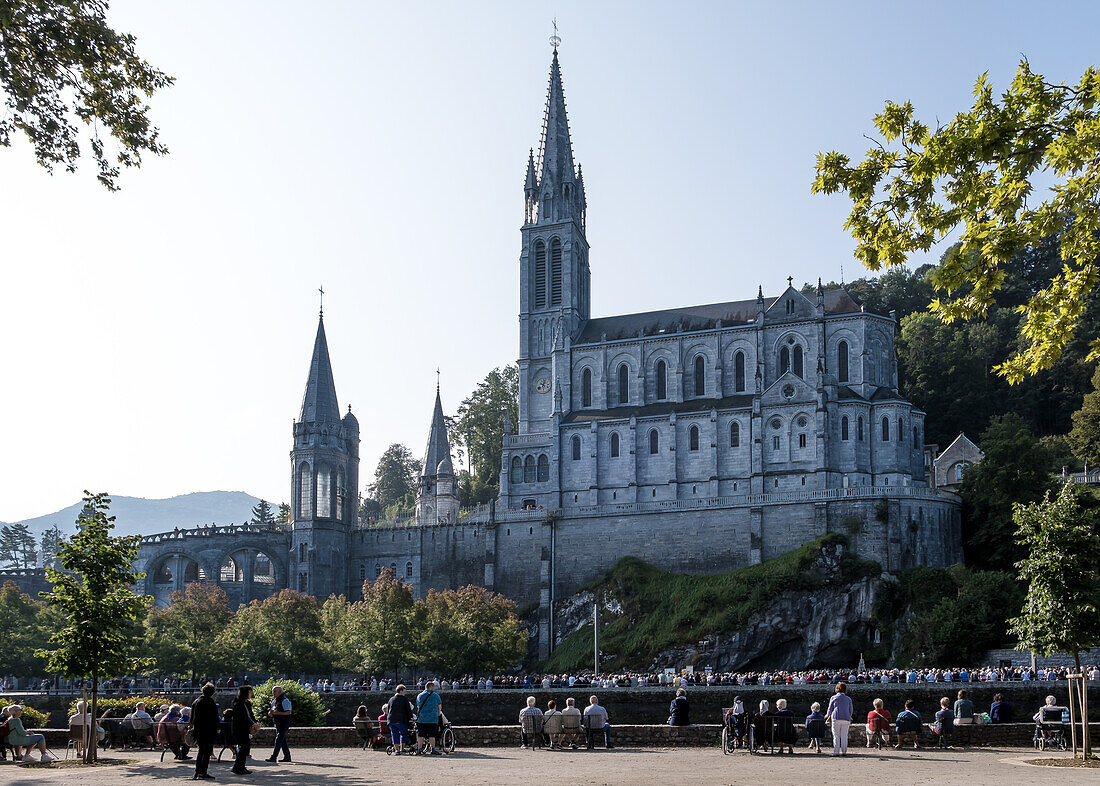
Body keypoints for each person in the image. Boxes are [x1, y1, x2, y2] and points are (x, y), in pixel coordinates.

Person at [188, 683, 219, 780]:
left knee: (201, 751)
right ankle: (203, 772)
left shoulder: (196, 701)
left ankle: (197, 771)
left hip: (198, 730)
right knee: (207, 751)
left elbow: (192, 718)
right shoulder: (210, 702)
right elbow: (214, 717)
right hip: (208, 730)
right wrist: (217, 728)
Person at [231, 685, 259, 775]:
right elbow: (244, 717)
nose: (251, 694)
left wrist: (255, 722)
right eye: (249, 692)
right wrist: (252, 724)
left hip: (244, 729)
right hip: (239, 728)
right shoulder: (239, 704)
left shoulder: (246, 703)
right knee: (244, 747)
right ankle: (238, 767)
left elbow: (250, 715)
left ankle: (240, 766)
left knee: (245, 748)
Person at [265, 685, 292, 763]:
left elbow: (288, 712)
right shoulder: (274, 701)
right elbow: (271, 712)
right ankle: (287, 756)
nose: (273, 693)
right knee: (282, 740)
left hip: (284, 723)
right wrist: (270, 713)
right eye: (273, 691)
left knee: (278, 739)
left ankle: (274, 757)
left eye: (274, 691)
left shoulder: (285, 700)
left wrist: (277, 713)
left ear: (280, 692)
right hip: (278, 723)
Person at [825, 681, 854, 756]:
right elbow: (851, 710)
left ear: (837, 688)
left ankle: (836, 752)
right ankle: (844, 752)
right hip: (846, 718)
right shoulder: (848, 699)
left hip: (836, 717)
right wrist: (849, 715)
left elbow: (830, 708)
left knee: (836, 736)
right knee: (844, 735)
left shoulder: (833, 698)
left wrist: (827, 715)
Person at [416, 681, 444, 755]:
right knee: (432, 735)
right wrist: (438, 714)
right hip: (432, 718)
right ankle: (433, 749)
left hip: (421, 718)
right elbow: (439, 707)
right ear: (431, 687)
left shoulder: (419, 695)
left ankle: (419, 749)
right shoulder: (435, 695)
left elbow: (418, 706)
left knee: (421, 735)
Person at [387, 685, 415, 755]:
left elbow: (389, 709)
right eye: (404, 691)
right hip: (401, 720)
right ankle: (402, 748)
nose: (405, 692)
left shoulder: (391, 699)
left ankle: (397, 750)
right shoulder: (404, 699)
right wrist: (411, 717)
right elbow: (408, 710)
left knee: (394, 735)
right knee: (403, 734)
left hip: (392, 720)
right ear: (401, 691)